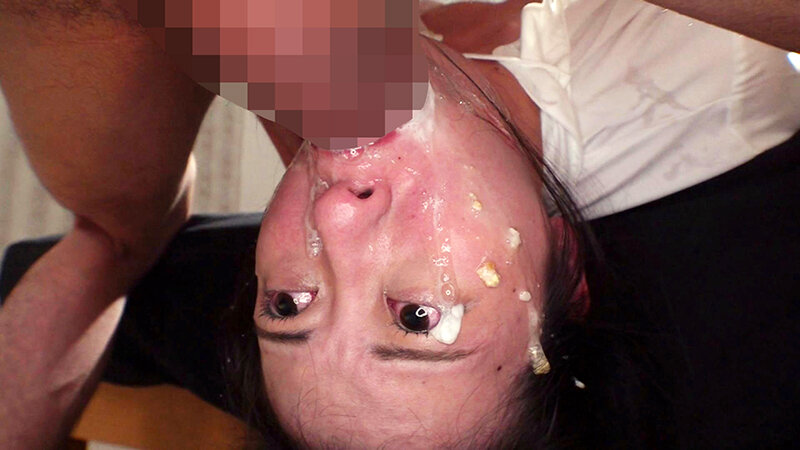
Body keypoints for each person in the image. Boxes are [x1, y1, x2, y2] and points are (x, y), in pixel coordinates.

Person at [1, 1, 798, 449]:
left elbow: (112, 237)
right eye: (417, 317)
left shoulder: (248, 33)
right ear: (565, 262)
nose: (332, 219)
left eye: (287, 303)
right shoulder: (706, 105)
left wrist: (106, 248)